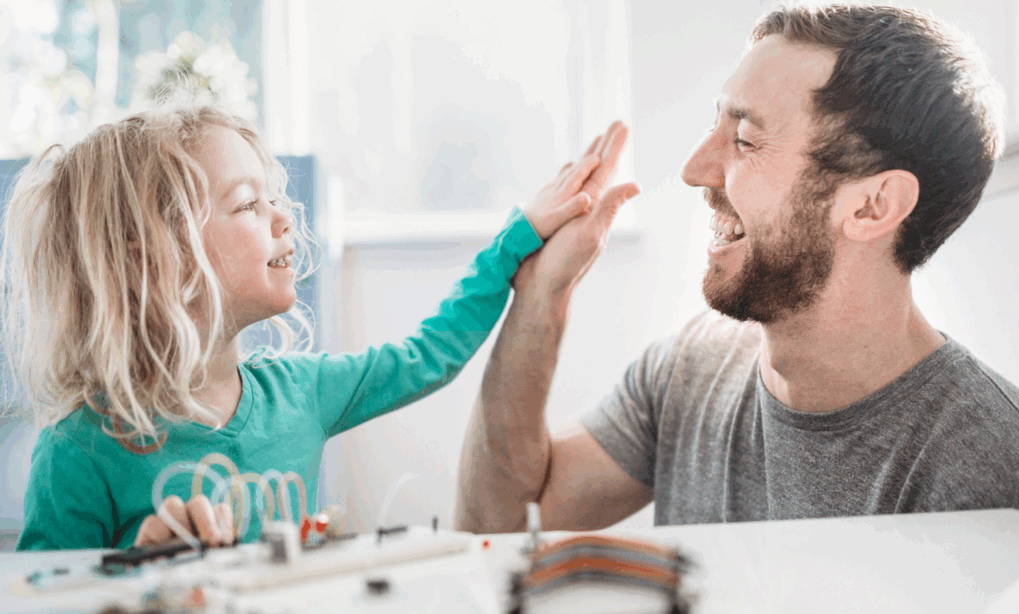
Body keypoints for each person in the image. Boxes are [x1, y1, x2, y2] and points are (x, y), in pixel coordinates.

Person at [455, 3, 1019, 534]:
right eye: (715, 126)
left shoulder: (987, 469)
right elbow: (502, 524)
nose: (694, 168)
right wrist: (540, 291)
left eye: (746, 140)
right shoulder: (694, 365)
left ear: (873, 206)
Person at [4, 99, 638, 550]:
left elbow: (431, 354)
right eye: (248, 204)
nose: (284, 218)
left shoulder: (301, 391)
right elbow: (40, 597)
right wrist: (130, 571)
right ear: (153, 258)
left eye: (273, 197)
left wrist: (518, 239)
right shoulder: (79, 450)